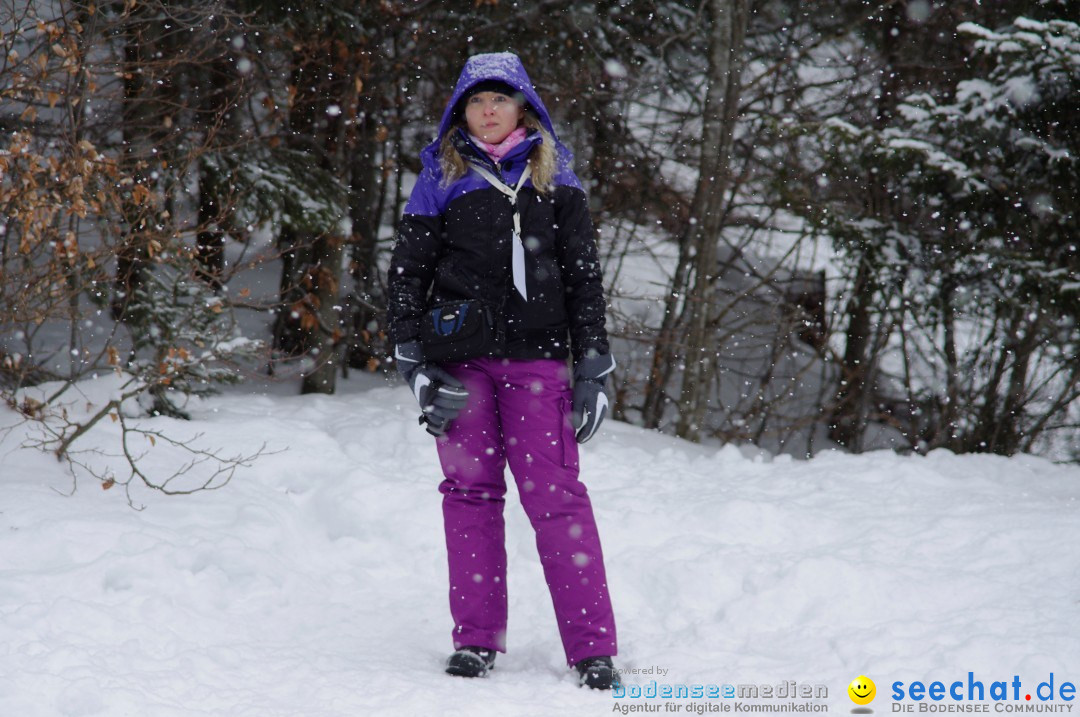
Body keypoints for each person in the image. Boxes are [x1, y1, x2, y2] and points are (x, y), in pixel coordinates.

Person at [387, 52, 619, 690]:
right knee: (470, 496)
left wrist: (594, 360)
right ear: (460, 112)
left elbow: (582, 273)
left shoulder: (556, 173)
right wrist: (412, 359)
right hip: (460, 361)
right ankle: (476, 639)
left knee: (558, 499)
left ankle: (592, 649)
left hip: (539, 362)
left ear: (525, 108)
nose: (487, 112)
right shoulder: (442, 171)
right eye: (475, 101)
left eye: (500, 99)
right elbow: (408, 272)